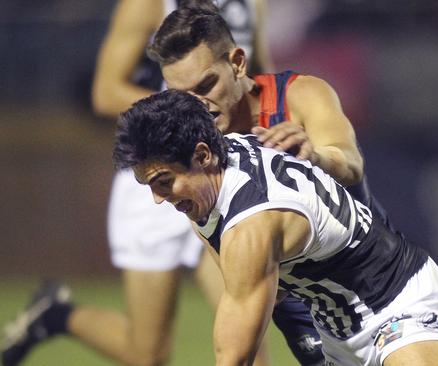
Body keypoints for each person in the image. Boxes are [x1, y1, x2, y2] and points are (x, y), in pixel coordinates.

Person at [147, 6, 438, 366]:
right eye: (183, 97)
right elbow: (238, 278)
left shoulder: (298, 96)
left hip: (382, 287)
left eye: (206, 86)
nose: (199, 106)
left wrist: (315, 155)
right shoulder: (202, 167)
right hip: (317, 321)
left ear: (237, 63)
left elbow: (350, 162)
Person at [0, 1, 323, 366]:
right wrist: (185, 117)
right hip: (158, 185)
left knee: (248, 345)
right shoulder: (150, 4)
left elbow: (261, 79)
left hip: (222, 177)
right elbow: (106, 92)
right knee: (148, 354)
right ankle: (55, 316)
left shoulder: (252, 4)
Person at [113, 89, 438, 365]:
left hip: (398, 302)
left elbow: (234, 357)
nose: (159, 199)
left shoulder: (251, 224)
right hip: (339, 331)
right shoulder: (216, 176)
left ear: (203, 156)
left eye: (164, 181)